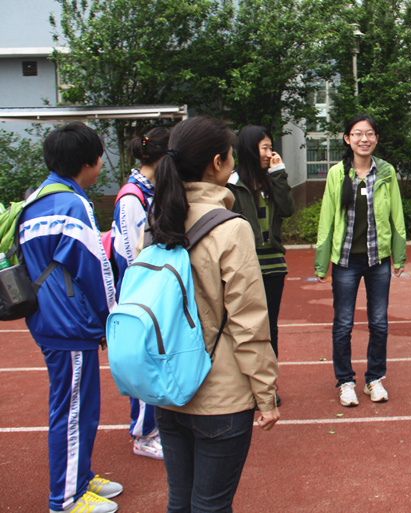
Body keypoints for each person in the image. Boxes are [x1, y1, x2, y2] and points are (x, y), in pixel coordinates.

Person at [151, 116, 279, 511]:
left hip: (168, 388)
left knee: (180, 501)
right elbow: (248, 321)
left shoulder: (158, 218)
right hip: (218, 394)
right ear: (217, 162)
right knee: (212, 505)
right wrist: (266, 393)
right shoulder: (231, 228)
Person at [19, 122, 122, 513]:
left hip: (48, 318)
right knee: (73, 408)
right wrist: (110, 319)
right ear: (88, 162)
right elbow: (95, 269)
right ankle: (65, 497)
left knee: (78, 405)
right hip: (70, 322)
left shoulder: (38, 199)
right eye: (99, 159)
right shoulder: (73, 204)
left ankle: (80, 478)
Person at [314, 114, 407, 407]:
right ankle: (345, 381)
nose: (363, 139)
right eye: (357, 134)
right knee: (343, 323)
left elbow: (397, 214)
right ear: (347, 139)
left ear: (376, 138)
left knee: (379, 322)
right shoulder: (336, 173)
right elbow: (326, 217)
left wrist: (399, 254)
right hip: (345, 261)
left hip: (378, 258)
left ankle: (374, 379)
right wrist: (321, 261)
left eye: (369, 134)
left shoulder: (387, 172)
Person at [111, 127, 169, 460]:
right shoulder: (132, 196)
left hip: (153, 290)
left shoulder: (152, 190)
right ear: (160, 159)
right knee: (145, 362)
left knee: (156, 359)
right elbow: (131, 253)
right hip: (140, 294)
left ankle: (154, 427)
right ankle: (143, 434)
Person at [227, 125, 295, 407]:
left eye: (271, 147)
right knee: (245, 328)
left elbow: (288, 209)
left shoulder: (272, 179)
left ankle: (268, 387)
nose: (270, 153)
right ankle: (245, 385)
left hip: (274, 264)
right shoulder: (232, 183)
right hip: (246, 265)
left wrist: (279, 174)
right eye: (265, 147)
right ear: (250, 149)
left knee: (270, 329)